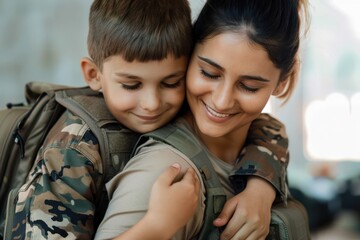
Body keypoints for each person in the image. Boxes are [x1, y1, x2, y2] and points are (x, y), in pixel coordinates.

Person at [8, 0, 290, 239]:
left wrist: (260, 188)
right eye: (132, 86)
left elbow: (267, 128)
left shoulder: (194, 107)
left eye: (171, 82)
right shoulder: (72, 150)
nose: (152, 104)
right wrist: (157, 225)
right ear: (94, 75)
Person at [95, 0, 309, 239]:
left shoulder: (266, 141)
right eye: (209, 73)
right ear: (188, 57)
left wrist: (262, 188)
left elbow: (272, 130)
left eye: (249, 87)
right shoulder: (166, 174)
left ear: (282, 82)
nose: (221, 101)